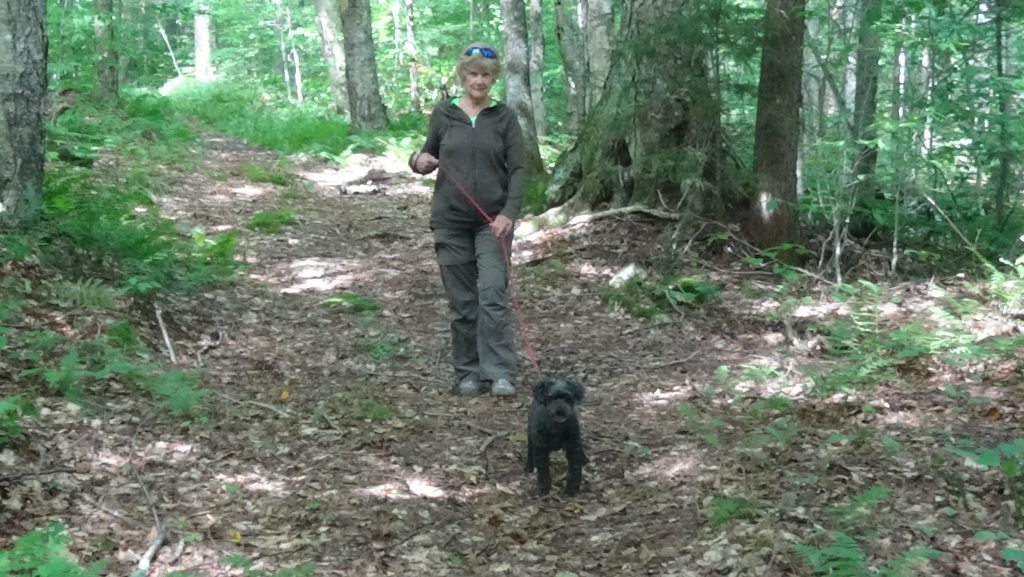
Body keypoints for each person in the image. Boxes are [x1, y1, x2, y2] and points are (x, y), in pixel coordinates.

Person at [408, 42, 526, 397]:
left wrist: (509, 214)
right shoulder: (444, 114)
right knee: (462, 302)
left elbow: (519, 170)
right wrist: (417, 161)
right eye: (473, 74)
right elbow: (425, 154)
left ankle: (500, 372)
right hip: (450, 221)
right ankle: (468, 372)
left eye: (486, 75)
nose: (479, 81)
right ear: (463, 76)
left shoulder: (504, 118)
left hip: (493, 222)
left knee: (493, 294)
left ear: (493, 79)